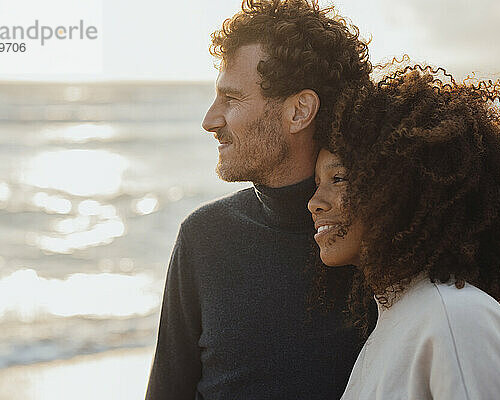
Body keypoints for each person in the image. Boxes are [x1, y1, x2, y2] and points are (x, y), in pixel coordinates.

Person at [145, 1, 374, 399]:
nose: (210, 120)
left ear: (299, 110)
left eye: (231, 99)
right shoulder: (204, 237)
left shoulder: (378, 239)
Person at [308, 66, 500, 399]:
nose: (314, 203)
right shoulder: (395, 324)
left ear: (402, 186)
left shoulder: (457, 318)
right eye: (317, 183)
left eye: (338, 179)